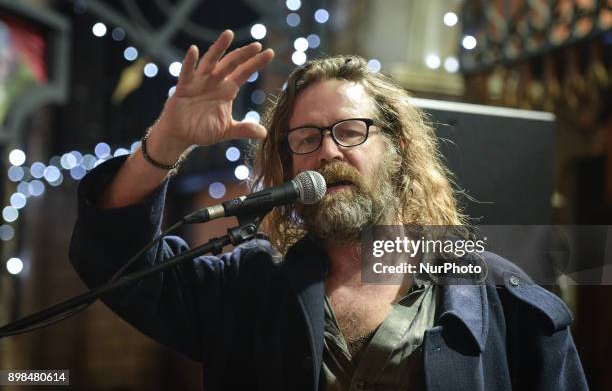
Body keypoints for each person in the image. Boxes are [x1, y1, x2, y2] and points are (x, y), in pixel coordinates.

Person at [69, 30, 588, 390]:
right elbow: (118, 263)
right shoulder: (247, 285)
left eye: (350, 130)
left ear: (399, 148)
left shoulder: (505, 299)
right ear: (289, 161)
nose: (328, 150)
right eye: (307, 136)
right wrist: (166, 141)